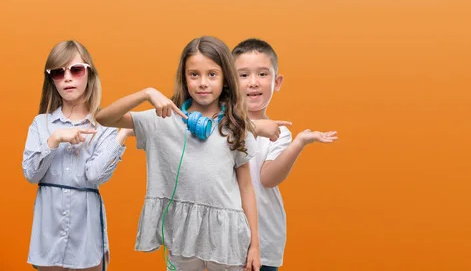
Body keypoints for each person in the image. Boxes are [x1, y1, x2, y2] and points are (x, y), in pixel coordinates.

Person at [95, 36, 279, 271]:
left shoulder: (236, 126)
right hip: (183, 236)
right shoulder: (161, 120)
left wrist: (255, 245)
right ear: (184, 77)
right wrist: (146, 93)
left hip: (227, 234)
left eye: (212, 74)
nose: (203, 83)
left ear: (225, 79)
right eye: (195, 75)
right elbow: (103, 118)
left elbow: (246, 187)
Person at [22, 40, 131, 271]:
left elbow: (95, 175)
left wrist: (122, 135)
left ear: (89, 74)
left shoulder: (104, 127)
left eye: (76, 69)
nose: (68, 77)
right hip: (48, 233)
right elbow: (31, 174)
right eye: (59, 72)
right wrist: (55, 139)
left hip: (87, 235)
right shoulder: (41, 124)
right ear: (51, 79)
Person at [232, 38, 338, 271]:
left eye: (262, 74)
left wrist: (298, 143)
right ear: (229, 82)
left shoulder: (278, 133)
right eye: (243, 75)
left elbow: (268, 179)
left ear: (277, 81)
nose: (253, 83)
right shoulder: (219, 127)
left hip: (265, 237)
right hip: (223, 239)